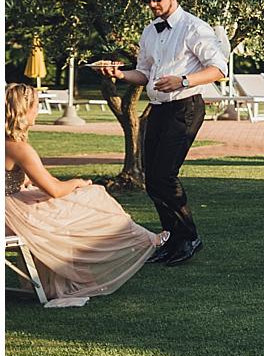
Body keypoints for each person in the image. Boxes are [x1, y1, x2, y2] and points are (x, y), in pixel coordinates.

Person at [95, 0, 228, 264]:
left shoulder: (194, 28)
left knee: (164, 175)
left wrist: (182, 80)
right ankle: (172, 239)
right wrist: (118, 73)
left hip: (185, 107)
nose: (153, 5)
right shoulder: (149, 31)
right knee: (153, 180)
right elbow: (143, 74)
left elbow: (220, 69)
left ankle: (189, 237)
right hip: (158, 109)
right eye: (148, 0)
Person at [5, 83, 165, 305]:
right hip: (9, 213)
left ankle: (133, 240)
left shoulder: (12, 145)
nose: (37, 110)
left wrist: (70, 187)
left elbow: (41, 181)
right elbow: (54, 189)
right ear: (23, 109)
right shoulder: (19, 148)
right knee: (91, 195)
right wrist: (79, 182)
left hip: (10, 204)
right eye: (35, 106)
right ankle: (138, 238)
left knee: (73, 202)